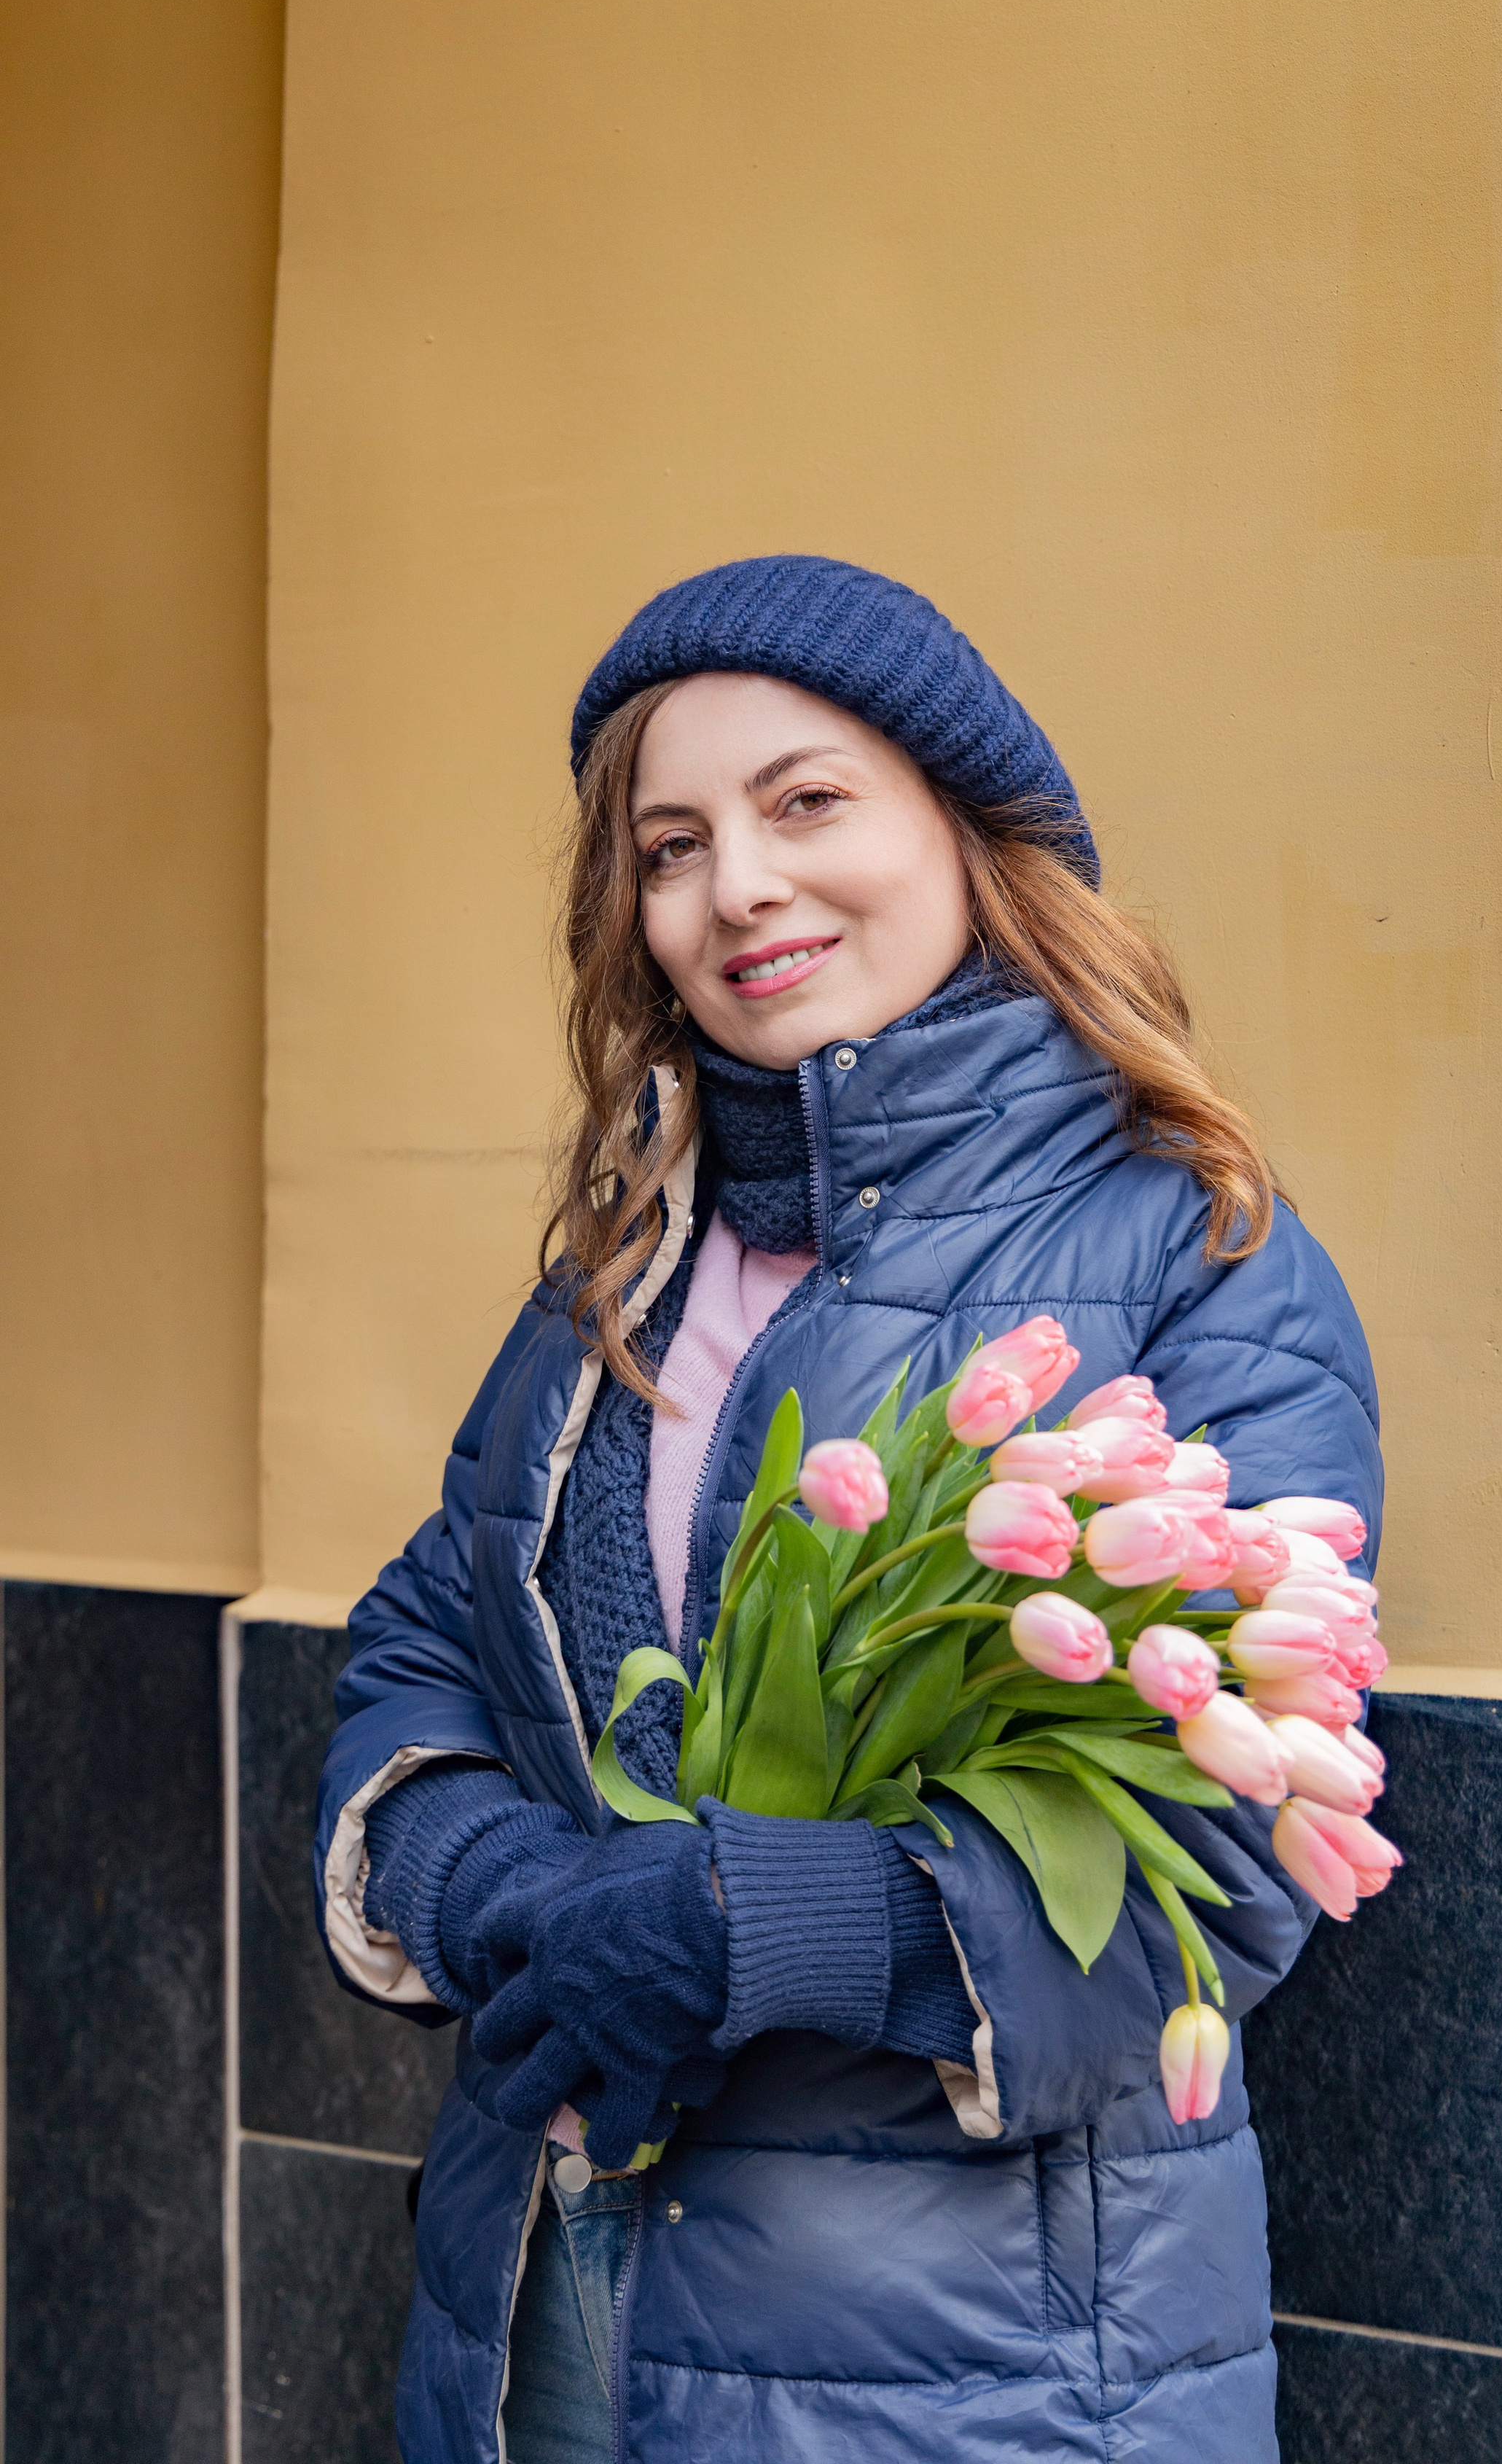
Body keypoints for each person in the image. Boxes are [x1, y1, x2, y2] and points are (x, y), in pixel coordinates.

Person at [313, 553, 1381, 2464]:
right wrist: (505, 1892)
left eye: (808, 803)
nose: (737, 887)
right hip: (545, 2315)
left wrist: (752, 1926)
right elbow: (425, 1643)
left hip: (972, 2370)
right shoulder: (624, 1275)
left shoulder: (1191, 1255)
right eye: (670, 845)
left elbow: (1231, 1851)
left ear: (973, 834)